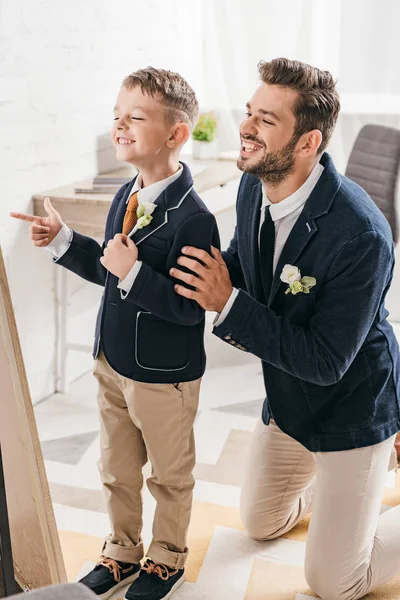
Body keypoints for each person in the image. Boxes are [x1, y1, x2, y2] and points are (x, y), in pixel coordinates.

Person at [171, 58, 400, 600]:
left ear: (306, 141)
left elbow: (326, 361)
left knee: (335, 581)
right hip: (291, 399)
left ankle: (363, 475)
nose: (246, 126)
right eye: (250, 112)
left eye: (266, 120)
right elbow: (240, 267)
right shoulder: (255, 184)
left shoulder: (363, 235)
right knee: (261, 522)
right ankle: (347, 495)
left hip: (351, 404)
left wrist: (227, 302)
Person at [11, 66, 219, 600]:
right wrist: (62, 240)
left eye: (136, 117)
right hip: (112, 363)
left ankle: (166, 559)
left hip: (164, 377)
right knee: (116, 470)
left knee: (169, 477)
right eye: (116, 116)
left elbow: (186, 308)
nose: (120, 126)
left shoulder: (193, 220)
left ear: (175, 134)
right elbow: (110, 267)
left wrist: (133, 272)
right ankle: (123, 550)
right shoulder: (125, 192)